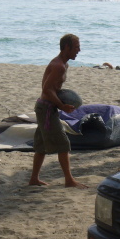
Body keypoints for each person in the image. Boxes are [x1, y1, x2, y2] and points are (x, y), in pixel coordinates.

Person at [29, 34, 88, 189]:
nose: (79, 50)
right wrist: (62, 106)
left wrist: (61, 103)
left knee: (41, 145)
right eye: (76, 47)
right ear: (66, 47)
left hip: (46, 107)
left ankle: (34, 179)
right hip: (47, 109)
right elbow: (47, 89)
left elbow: (52, 89)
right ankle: (69, 180)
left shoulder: (64, 64)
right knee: (63, 144)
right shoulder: (58, 66)